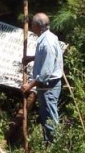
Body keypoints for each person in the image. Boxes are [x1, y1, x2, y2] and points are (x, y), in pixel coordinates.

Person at [22, 12, 64, 145]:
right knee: (46, 116)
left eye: (32, 24)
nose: (31, 27)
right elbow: (46, 58)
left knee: (50, 117)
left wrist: (29, 85)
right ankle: (49, 144)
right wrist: (31, 58)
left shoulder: (47, 43)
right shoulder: (49, 38)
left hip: (49, 86)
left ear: (36, 26)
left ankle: (55, 146)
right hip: (47, 85)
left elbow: (46, 73)